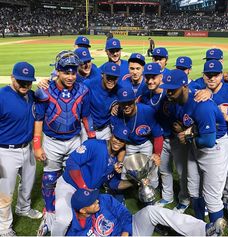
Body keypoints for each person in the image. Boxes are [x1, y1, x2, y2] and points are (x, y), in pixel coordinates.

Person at [33, 50, 95, 235]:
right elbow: (38, 119)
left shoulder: (83, 90)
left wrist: (91, 138)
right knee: (50, 177)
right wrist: (37, 145)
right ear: (57, 71)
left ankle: (74, 207)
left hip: (75, 139)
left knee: (76, 175)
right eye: (65, 72)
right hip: (52, 141)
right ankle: (50, 212)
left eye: (73, 72)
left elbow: (86, 116)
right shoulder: (44, 92)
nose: (70, 76)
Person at [159, 69, 228, 223]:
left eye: (173, 89)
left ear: (184, 86)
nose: (169, 93)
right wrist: (186, 132)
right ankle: (200, 226)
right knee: (193, 189)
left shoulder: (202, 105)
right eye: (168, 89)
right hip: (196, 144)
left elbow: (208, 141)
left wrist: (187, 136)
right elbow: (181, 122)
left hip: (215, 147)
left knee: (211, 197)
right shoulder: (174, 102)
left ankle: (214, 232)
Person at [50, 126, 130, 236]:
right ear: (111, 135)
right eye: (116, 137)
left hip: (88, 196)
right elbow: (72, 162)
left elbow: (114, 184)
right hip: (69, 186)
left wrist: (134, 182)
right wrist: (83, 187)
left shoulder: (116, 163)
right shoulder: (94, 145)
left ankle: (52, 217)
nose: (118, 142)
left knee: (87, 224)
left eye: (122, 140)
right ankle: (49, 222)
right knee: (64, 220)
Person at [66, 188, 227, 236]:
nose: (97, 201)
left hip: (131, 231)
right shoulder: (74, 231)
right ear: (82, 210)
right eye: (92, 202)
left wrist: (126, 232)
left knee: (151, 211)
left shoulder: (104, 200)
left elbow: (124, 215)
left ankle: (204, 231)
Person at [0, 62, 42, 236]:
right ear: (12, 77)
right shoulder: (2, 97)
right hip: (5, 152)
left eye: (28, 82)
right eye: (21, 81)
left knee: (27, 184)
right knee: (4, 193)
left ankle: (23, 209)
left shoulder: (32, 95)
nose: (25, 85)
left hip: (28, 148)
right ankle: (4, 228)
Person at [141, 63, 190, 213]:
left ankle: (184, 199)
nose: (150, 81)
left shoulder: (170, 92)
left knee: (182, 171)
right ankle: (167, 196)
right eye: (147, 78)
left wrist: (184, 130)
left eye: (153, 77)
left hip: (176, 138)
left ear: (161, 77)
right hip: (159, 139)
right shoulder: (145, 94)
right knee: (164, 169)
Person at [201, 59, 228, 234]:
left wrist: (225, 117)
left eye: (215, 75)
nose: (212, 78)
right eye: (208, 75)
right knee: (215, 179)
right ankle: (215, 205)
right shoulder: (200, 92)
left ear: (222, 75)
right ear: (203, 76)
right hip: (213, 142)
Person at [112, 86, 163, 189]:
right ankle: (127, 191)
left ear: (135, 100)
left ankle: (152, 189)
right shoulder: (117, 114)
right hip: (128, 144)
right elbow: (118, 140)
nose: (126, 106)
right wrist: (120, 160)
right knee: (124, 169)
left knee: (151, 167)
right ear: (118, 103)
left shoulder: (147, 111)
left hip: (145, 143)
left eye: (129, 102)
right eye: (123, 103)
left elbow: (158, 136)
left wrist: (157, 154)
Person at [84, 62, 121, 140]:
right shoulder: (90, 84)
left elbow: (131, 101)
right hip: (87, 129)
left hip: (106, 130)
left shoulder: (119, 90)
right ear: (102, 75)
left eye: (114, 78)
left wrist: (119, 105)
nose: (111, 80)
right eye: (108, 77)